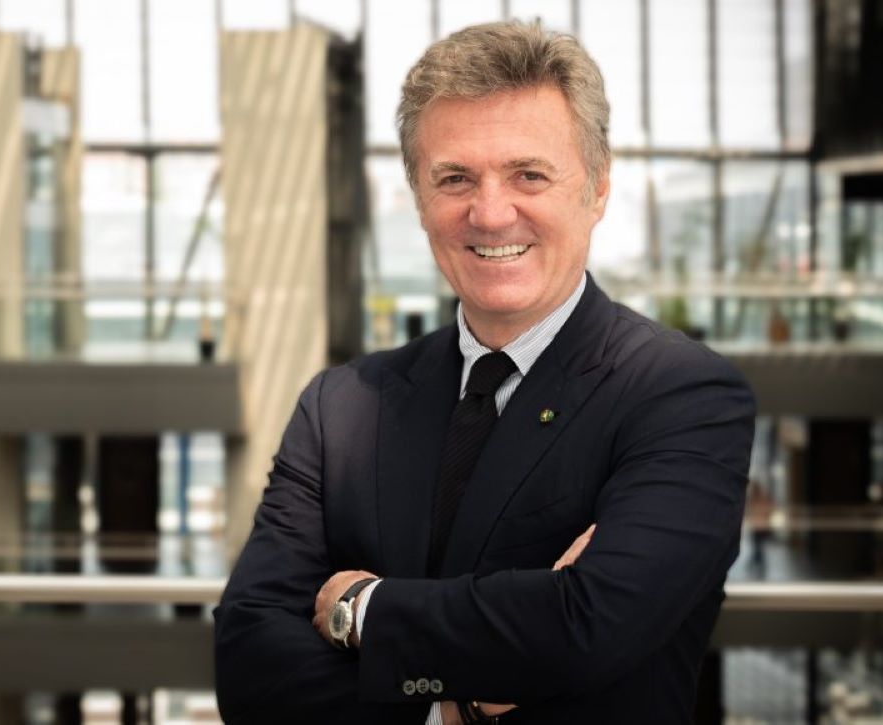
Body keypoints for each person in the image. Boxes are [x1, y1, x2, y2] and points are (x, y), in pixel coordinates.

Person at [214, 20, 755, 725]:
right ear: (419, 197)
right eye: (455, 179)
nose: (491, 213)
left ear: (596, 190)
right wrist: (456, 707)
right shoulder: (339, 408)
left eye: (529, 174)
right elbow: (250, 667)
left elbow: (590, 626)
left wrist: (363, 607)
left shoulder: (681, 396)